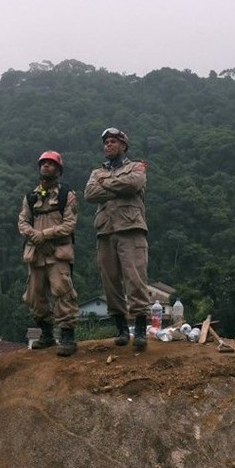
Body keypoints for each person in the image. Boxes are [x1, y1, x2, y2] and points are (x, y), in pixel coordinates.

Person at [84, 127, 150, 350]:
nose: (108, 145)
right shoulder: (96, 173)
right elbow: (90, 194)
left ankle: (140, 330)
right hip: (105, 232)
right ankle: (121, 329)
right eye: (106, 142)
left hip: (131, 228)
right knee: (110, 282)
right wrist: (118, 188)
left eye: (112, 142)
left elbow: (134, 184)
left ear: (123, 145)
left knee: (135, 278)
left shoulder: (137, 167)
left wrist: (107, 185)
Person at [18, 150, 79, 357]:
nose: (46, 166)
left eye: (51, 164)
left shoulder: (66, 195)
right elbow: (22, 222)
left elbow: (69, 225)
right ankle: (46, 335)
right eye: (43, 163)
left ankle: (68, 337)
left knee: (63, 291)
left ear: (58, 170)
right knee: (35, 295)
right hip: (36, 254)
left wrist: (43, 235)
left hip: (57, 252)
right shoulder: (30, 196)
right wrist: (36, 237)